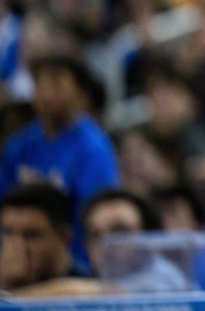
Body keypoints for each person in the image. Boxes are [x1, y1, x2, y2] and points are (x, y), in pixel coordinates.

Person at [0, 54, 120, 261]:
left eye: (56, 84)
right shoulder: (19, 146)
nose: (46, 94)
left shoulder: (94, 149)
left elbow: (93, 219)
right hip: (19, 256)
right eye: (39, 85)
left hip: (74, 263)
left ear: (81, 94)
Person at [0, 182, 89, 293]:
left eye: (31, 235)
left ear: (65, 238)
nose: (17, 246)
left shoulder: (91, 279)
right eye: (8, 233)